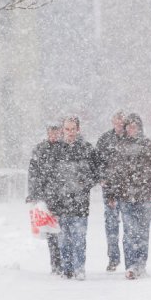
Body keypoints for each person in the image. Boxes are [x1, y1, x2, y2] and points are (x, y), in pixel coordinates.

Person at [103, 113, 151, 280]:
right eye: (128, 126)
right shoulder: (119, 147)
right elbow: (113, 173)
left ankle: (141, 264)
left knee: (142, 232)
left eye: (134, 126)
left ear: (140, 127)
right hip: (125, 197)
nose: (131, 129)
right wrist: (110, 193)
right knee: (129, 232)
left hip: (146, 196)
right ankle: (131, 265)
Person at [55, 116, 99, 280]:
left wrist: (85, 182)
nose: (70, 132)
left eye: (73, 129)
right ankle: (67, 269)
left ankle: (79, 268)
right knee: (64, 239)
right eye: (67, 129)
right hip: (61, 203)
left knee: (79, 238)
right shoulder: (56, 150)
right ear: (62, 130)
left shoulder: (87, 149)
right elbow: (49, 176)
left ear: (78, 129)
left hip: (80, 202)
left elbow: (97, 172)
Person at [26, 123, 63, 275]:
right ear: (47, 133)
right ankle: (55, 264)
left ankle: (64, 262)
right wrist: (34, 194)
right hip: (47, 196)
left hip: (63, 196)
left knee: (64, 231)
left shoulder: (65, 148)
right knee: (51, 232)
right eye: (51, 133)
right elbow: (33, 173)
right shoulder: (40, 150)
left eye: (56, 133)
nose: (54, 136)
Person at [96, 110, 125, 272]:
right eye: (117, 121)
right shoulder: (105, 139)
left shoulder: (131, 138)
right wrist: (102, 178)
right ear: (112, 122)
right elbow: (97, 161)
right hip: (110, 189)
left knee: (130, 227)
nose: (119, 125)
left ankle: (130, 258)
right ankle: (113, 258)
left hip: (129, 189)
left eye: (122, 122)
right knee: (111, 225)